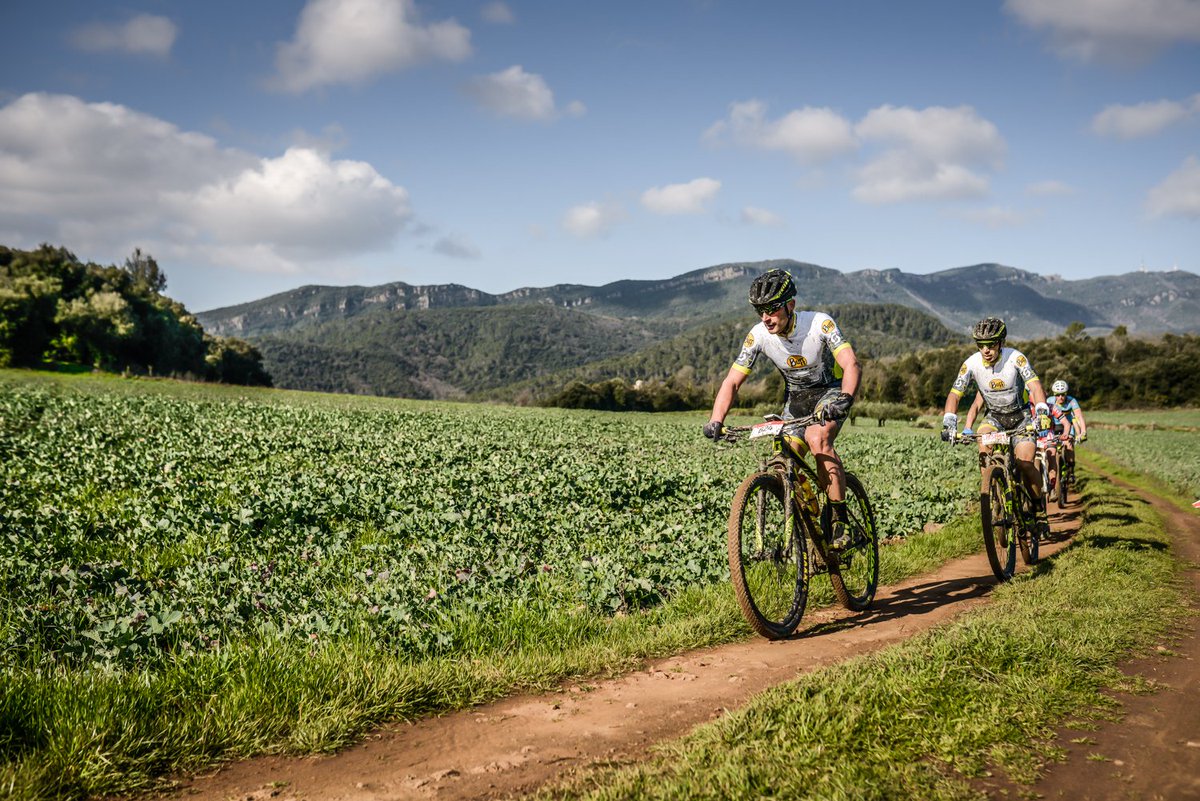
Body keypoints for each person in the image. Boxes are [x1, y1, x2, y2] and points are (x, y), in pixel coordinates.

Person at [703, 268, 861, 548]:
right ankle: (809, 521)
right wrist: (716, 420)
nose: (766, 318)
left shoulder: (819, 323)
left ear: (790, 305)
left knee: (817, 438)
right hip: (797, 401)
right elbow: (733, 381)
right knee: (784, 456)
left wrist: (845, 398)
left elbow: (850, 363)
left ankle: (840, 520)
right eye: (760, 311)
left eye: (772, 309)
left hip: (831, 392)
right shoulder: (758, 336)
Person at [941, 317, 1052, 507]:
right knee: (984, 450)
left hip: (1021, 417)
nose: (986, 350)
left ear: (1001, 343)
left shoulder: (1016, 358)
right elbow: (954, 395)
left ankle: (1037, 505)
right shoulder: (971, 364)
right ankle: (993, 497)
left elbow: (1035, 387)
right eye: (981, 345)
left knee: (1025, 463)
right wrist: (949, 422)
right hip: (994, 418)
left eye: (991, 345)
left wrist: (1042, 412)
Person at [1049, 379, 1087, 483]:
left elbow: (1079, 417)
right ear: (1054, 395)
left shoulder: (1072, 401)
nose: (1060, 397)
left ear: (1066, 394)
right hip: (1053, 427)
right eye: (1057, 395)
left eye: (1063, 394)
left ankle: (1071, 471)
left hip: (1068, 426)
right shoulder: (1049, 401)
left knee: (1068, 444)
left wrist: (1083, 432)